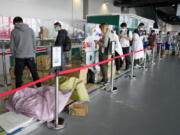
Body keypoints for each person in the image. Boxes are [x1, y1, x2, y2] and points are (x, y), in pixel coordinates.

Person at [10, 16, 41, 88]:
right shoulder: (30, 30)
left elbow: (12, 45)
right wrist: (33, 51)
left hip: (19, 57)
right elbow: (34, 42)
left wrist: (14, 55)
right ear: (22, 21)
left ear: (15, 23)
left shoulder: (14, 32)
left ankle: (18, 91)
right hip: (30, 56)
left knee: (18, 75)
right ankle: (39, 87)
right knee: (34, 72)